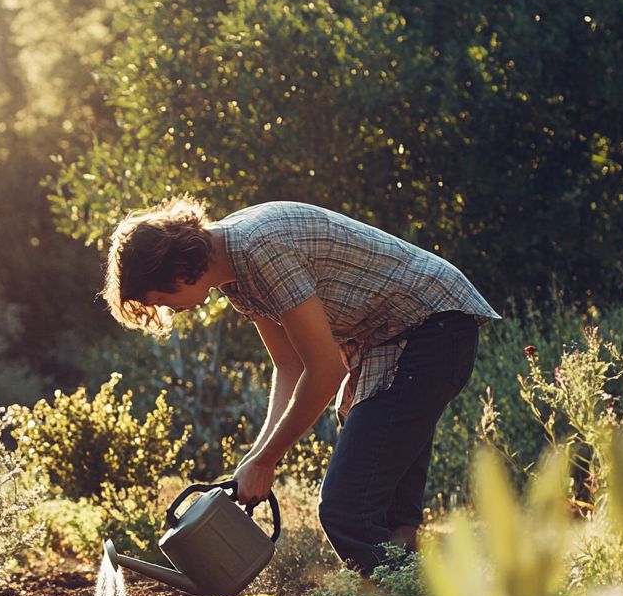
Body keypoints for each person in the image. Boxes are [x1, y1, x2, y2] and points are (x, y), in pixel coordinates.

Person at [103, 197, 500, 576]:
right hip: (395, 338)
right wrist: (256, 458)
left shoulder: (260, 249)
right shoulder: (234, 274)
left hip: (432, 325)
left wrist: (266, 461)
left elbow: (324, 370)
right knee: (385, 506)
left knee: (347, 510)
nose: (170, 311)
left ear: (177, 268)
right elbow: (289, 366)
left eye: (161, 299)